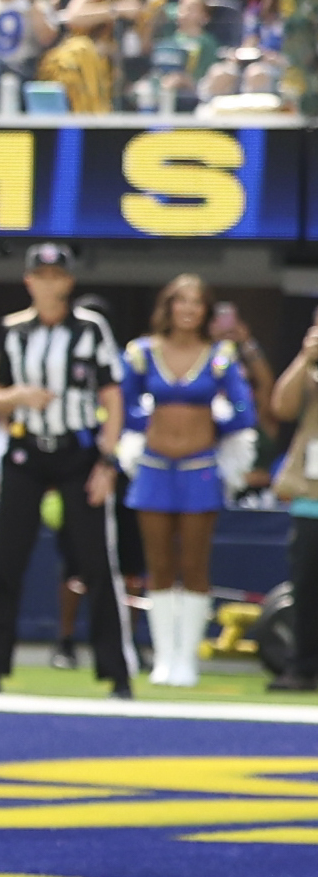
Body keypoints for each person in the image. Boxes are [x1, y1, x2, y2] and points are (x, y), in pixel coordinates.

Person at [0, 240, 130, 697]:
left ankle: (116, 674)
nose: (49, 283)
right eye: (41, 276)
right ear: (28, 281)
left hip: (78, 452)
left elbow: (112, 398)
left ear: (69, 281)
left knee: (96, 562)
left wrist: (107, 461)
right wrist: (20, 395)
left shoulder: (91, 329)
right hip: (25, 452)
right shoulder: (13, 330)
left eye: (57, 276)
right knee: (5, 560)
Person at [120, 272, 257, 690]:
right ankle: (164, 657)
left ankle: (187, 659)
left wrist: (216, 419)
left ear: (206, 311)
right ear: (168, 306)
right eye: (180, 301)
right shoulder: (142, 352)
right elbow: (121, 405)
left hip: (200, 468)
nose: (187, 309)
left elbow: (244, 409)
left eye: (196, 303)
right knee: (158, 564)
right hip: (154, 468)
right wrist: (151, 420)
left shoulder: (220, 357)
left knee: (195, 564)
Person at [270, 311, 318, 693]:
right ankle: (302, 668)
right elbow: (282, 408)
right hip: (312, 494)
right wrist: (305, 357)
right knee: (307, 587)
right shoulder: (311, 367)